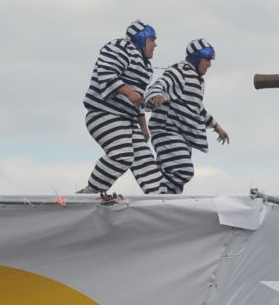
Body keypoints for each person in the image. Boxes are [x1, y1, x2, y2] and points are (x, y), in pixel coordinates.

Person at [82, 20, 166, 195]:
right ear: (141, 39)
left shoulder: (145, 67)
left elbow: (138, 99)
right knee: (122, 155)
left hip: (126, 120)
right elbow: (106, 72)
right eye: (152, 40)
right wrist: (129, 92)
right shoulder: (120, 47)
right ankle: (90, 192)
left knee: (145, 161)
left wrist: (143, 127)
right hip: (103, 113)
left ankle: (159, 198)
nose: (155, 45)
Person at [146, 38, 229, 193]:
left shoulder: (198, 81)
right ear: (196, 58)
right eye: (207, 60)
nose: (210, 65)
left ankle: (166, 205)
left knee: (172, 175)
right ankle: (158, 194)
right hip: (166, 130)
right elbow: (160, 84)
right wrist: (156, 96)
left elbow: (198, 109)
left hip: (182, 135)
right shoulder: (180, 71)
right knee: (184, 171)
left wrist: (217, 127)